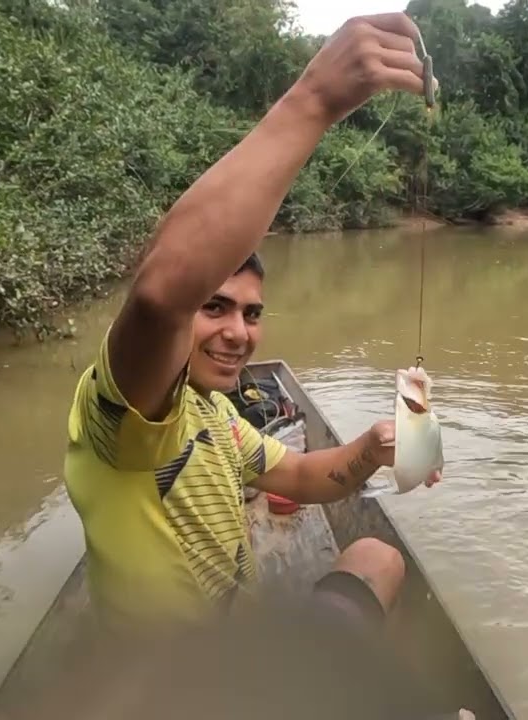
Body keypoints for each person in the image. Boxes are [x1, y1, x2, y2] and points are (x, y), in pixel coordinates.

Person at [61, 13, 442, 632]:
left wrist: (373, 448)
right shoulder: (119, 410)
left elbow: (298, 474)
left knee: (379, 557)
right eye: (213, 307)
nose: (239, 333)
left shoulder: (214, 413)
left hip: (242, 637)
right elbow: (159, 295)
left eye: (251, 313)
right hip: (169, 667)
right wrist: (314, 99)